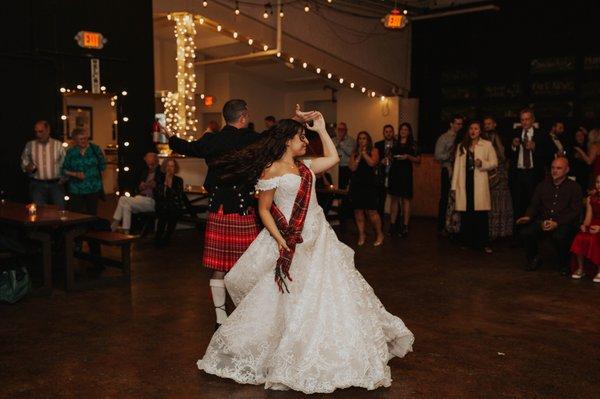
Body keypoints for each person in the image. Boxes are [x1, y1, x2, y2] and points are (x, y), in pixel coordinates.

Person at [197, 114, 414, 394]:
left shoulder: (306, 167)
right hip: (291, 239)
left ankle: (328, 348)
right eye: (301, 137)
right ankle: (290, 348)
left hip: (319, 238)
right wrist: (280, 240)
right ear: (287, 140)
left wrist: (322, 129)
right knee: (291, 297)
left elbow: (334, 157)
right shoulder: (272, 169)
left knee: (330, 293)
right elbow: (264, 209)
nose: (304, 141)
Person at [162, 100, 316, 329]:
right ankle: (247, 314)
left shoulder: (211, 140)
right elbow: (273, 134)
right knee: (249, 263)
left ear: (226, 117)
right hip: (242, 210)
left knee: (219, 266)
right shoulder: (249, 139)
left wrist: (171, 137)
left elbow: (188, 147)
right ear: (243, 117)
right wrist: (294, 120)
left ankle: (220, 317)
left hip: (218, 209)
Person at [516, 157, 582, 275]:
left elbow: (575, 211)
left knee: (560, 236)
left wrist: (557, 223)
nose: (554, 171)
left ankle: (564, 264)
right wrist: (528, 216)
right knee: (526, 232)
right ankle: (534, 259)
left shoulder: (574, 187)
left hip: (564, 222)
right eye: (552, 168)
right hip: (544, 221)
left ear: (567, 170)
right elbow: (534, 204)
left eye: (559, 168)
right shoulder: (542, 185)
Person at [451, 121, 498, 253]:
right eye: (471, 128)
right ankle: (467, 241)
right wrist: (454, 187)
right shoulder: (461, 146)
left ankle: (483, 243)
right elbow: (456, 168)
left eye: (476, 129)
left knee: (480, 215)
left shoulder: (487, 145)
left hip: (479, 184)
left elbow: (494, 163)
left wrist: (482, 163)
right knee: (466, 213)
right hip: (464, 184)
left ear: (480, 131)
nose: (473, 131)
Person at [509, 108, 553, 220]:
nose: (524, 122)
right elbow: (506, 153)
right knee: (518, 204)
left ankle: (534, 231)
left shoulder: (542, 134)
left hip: (534, 174)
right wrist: (513, 146)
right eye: (522, 119)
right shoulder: (514, 133)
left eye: (527, 119)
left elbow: (550, 154)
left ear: (533, 120)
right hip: (518, 174)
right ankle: (518, 232)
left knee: (535, 203)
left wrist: (535, 147)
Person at [111, 152, 162, 234]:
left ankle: (115, 223)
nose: (150, 166)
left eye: (152, 164)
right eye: (148, 164)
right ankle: (126, 231)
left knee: (122, 198)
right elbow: (137, 187)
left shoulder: (160, 173)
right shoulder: (145, 171)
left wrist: (155, 186)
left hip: (152, 200)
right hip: (140, 199)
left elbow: (162, 189)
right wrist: (141, 186)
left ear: (156, 162)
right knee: (126, 206)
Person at [348, 131, 384, 246]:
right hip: (357, 185)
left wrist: (364, 154)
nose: (362, 140)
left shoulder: (374, 150)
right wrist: (358, 156)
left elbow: (372, 163)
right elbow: (352, 168)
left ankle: (379, 234)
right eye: (360, 138)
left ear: (368, 140)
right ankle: (362, 234)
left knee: (372, 212)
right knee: (358, 211)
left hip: (369, 185)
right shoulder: (354, 153)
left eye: (364, 138)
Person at [20, 120, 66, 209]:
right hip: (37, 185)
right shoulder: (30, 145)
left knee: (60, 211)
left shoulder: (58, 145)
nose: (38, 134)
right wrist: (27, 167)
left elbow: (65, 163)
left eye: (41, 131)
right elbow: (24, 161)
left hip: (56, 184)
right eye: (36, 132)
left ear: (48, 130)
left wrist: (63, 179)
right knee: (38, 212)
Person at [62, 128, 106, 215]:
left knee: (92, 214)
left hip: (93, 188)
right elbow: (64, 170)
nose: (84, 141)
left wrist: (95, 177)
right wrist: (75, 174)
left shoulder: (95, 149)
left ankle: (90, 228)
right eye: (81, 139)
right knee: (76, 214)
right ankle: (78, 228)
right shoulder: (70, 152)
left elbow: (103, 166)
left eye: (86, 138)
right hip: (76, 189)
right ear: (74, 140)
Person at [483, 116, 513, 240]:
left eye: (489, 123)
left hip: (499, 172)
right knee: (489, 201)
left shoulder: (499, 137)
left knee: (500, 201)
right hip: (487, 172)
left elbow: (504, 155)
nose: (487, 126)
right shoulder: (483, 138)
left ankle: (501, 231)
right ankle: (490, 231)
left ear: (495, 124)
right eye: (485, 124)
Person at [388, 123, 420, 237]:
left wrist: (408, 157)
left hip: (406, 173)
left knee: (406, 200)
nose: (403, 131)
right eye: (402, 129)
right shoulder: (395, 142)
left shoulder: (413, 144)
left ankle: (405, 226)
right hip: (395, 172)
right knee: (394, 199)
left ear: (409, 132)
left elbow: (418, 159)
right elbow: (390, 156)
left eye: (406, 129)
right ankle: (392, 225)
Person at [435, 115, 464, 234]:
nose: (459, 126)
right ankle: (442, 226)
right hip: (448, 170)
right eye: (456, 123)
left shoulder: (463, 137)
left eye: (460, 124)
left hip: (460, 171)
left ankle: (455, 225)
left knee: (457, 198)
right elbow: (437, 155)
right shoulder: (444, 138)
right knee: (445, 198)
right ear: (451, 124)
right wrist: (450, 155)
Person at [570, 174, 600, 282]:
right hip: (594, 223)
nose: (599, 185)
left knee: (596, 238)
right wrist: (584, 226)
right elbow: (588, 217)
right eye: (597, 182)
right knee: (580, 237)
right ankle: (581, 268)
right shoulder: (591, 198)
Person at [153, 159, 186, 247]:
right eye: (168, 166)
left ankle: (167, 238)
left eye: (172, 166)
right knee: (164, 214)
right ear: (164, 167)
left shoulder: (179, 180)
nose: (169, 168)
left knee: (173, 213)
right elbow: (158, 194)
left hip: (173, 206)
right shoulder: (160, 178)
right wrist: (164, 184)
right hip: (162, 205)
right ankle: (158, 239)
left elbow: (178, 194)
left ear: (175, 168)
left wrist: (169, 186)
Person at [374, 125, 395, 223]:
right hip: (381, 175)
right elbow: (374, 160)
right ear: (383, 133)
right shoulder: (378, 144)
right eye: (386, 131)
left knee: (395, 201)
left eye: (390, 131)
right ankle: (380, 224)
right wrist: (380, 162)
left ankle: (394, 224)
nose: (388, 133)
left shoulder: (397, 144)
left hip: (394, 175)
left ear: (393, 132)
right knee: (380, 201)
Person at [570, 127, 590, 192]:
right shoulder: (573, 148)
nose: (580, 137)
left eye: (582, 135)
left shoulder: (588, 147)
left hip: (587, 176)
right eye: (578, 136)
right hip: (576, 176)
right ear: (575, 137)